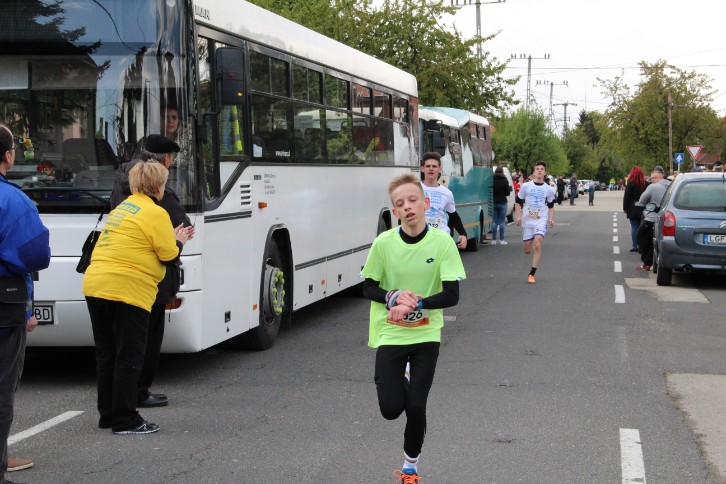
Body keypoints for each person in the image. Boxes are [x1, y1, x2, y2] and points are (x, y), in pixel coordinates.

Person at [361, 173, 465, 483]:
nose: (407, 207)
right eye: (400, 203)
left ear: (425, 203)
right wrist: (393, 297)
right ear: (395, 211)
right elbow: (368, 287)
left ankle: (410, 469)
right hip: (390, 333)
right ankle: (403, 375)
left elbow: (452, 295)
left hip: (425, 333)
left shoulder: (442, 243)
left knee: (417, 406)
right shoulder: (383, 244)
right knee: (391, 409)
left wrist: (416, 304)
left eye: (412, 200)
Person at [83, 162, 191, 435]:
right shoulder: (156, 212)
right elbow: (168, 254)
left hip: (96, 285)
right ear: (157, 186)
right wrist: (179, 240)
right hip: (127, 289)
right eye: (164, 183)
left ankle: (108, 415)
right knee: (130, 355)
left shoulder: (122, 208)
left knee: (107, 354)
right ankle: (126, 419)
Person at [110, 134, 195, 409]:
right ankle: (139, 392)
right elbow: (182, 224)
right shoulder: (154, 188)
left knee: (123, 342)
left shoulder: (122, 181)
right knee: (148, 338)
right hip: (151, 275)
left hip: (121, 271)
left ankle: (119, 397)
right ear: (166, 160)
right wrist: (178, 236)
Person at [0, 124, 51, 482]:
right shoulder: (13, 200)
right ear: (7, 156)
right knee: (2, 387)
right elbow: (36, 255)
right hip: (4, 307)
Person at [515, 160, 556, 284]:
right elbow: (518, 201)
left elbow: (551, 206)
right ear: (534, 172)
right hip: (527, 220)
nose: (539, 171)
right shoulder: (526, 186)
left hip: (541, 220)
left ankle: (531, 274)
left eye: (542, 169)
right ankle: (531, 239)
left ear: (545, 173)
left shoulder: (548, 189)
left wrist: (551, 218)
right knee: (527, 250)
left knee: (537, 245)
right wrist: (518, 216)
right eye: (537, 169)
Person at [419, 152, 467, 249]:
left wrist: (463, 234)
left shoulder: (447, 193)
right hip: (420, 238)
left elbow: (453, 216)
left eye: (434, 166)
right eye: (428, 166)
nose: (431, 169)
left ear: (440, 169)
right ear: (422, 169)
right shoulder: (415, 189)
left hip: (441, 239)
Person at [635, 166, 671, 271]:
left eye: (653, 178)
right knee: (654, 241)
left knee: (640, 237)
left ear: (658, 178)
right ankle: (647, 263)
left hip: (652, 218)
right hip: (667, 219)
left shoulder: (653, 187)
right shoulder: (671, 186)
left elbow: (642, 200)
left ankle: (646, 261)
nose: (651, 180)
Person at [622, 166, 647, 252]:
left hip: (632, 208)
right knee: (641, 227)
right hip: (643, 208)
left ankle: (635, 246)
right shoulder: (646, 184)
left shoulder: (630, 184)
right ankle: (641, 246)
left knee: (634, 227)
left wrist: (625, 208)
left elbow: (626, 197)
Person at [491, 166, 511, 245]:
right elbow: (507, 193)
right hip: (502, 202)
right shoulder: (504, 180)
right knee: (502, 222)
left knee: (494, 221)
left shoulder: (491, 180)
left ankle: (493, 240)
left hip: (494, 202)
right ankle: (502, 240)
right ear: (502, 172)